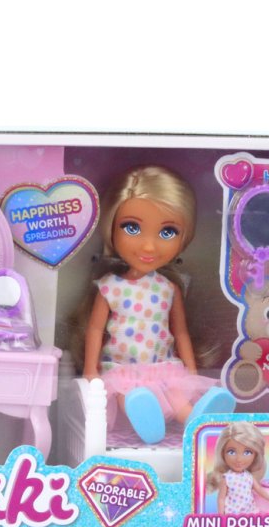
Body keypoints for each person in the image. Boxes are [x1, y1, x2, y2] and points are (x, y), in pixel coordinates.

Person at [81, 165, 234, 443]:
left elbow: (181, 332)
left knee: (177, 395)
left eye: (167, 232)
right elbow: (94, 330)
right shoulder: (110, 287)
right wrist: (91, 370)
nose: (149, 247)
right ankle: (147, 424)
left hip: (162, 366)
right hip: (122, 369)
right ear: (111, 227)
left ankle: (198, 420)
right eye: (132, 228)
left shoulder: (168, 288)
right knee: (131, 396)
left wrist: (191, 370)